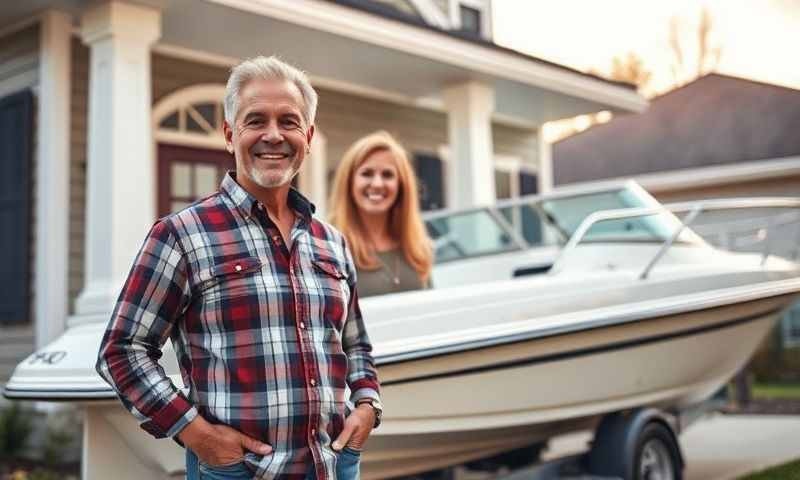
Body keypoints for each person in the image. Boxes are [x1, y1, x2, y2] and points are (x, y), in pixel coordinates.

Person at [96, 56, 382, 480]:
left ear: (308, 135)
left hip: (333, 465)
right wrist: (197, 435)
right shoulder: (180, 234)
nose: (273, 135)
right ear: (230, 135)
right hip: (236, 472)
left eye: (288, 121)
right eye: (255, 120)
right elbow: (122, 351)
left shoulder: (331, 241)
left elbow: (355, 344)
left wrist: (366, 407)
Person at [329, 131, 433, 297]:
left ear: (401, 185)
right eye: (367, 173)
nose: (377, 183)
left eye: (387, 174)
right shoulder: (328, 248)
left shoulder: (418, 248)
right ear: (348, 182)